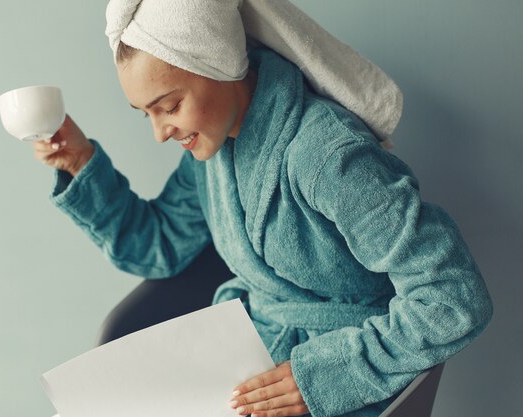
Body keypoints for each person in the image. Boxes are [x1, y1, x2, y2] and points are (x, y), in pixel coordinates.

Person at [31, 1, 493, 416]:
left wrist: (326, 375)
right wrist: (79, 162)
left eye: (169, 106)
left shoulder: (328, 157)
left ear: (219, 64)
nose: (160, 132)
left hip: (342, 378)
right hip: (254, 362)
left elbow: (452, 297)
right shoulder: (213, 156)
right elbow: (159, 246)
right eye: (145, 113)